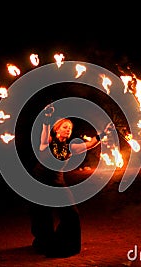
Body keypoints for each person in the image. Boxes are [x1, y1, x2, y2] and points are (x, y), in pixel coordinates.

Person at [29, 104, 114, 258]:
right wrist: (47, 117)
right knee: (42, 215)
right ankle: (43, 243)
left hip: (58, 183)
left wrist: (103, 134)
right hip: (40, 182)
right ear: (57, 129)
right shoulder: (46, 142)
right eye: (65, 126)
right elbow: (45, 130)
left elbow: (89, 145)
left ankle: (64, 245)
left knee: (71, 214)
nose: (68, 129)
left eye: (70, 127)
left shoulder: (70, 147)